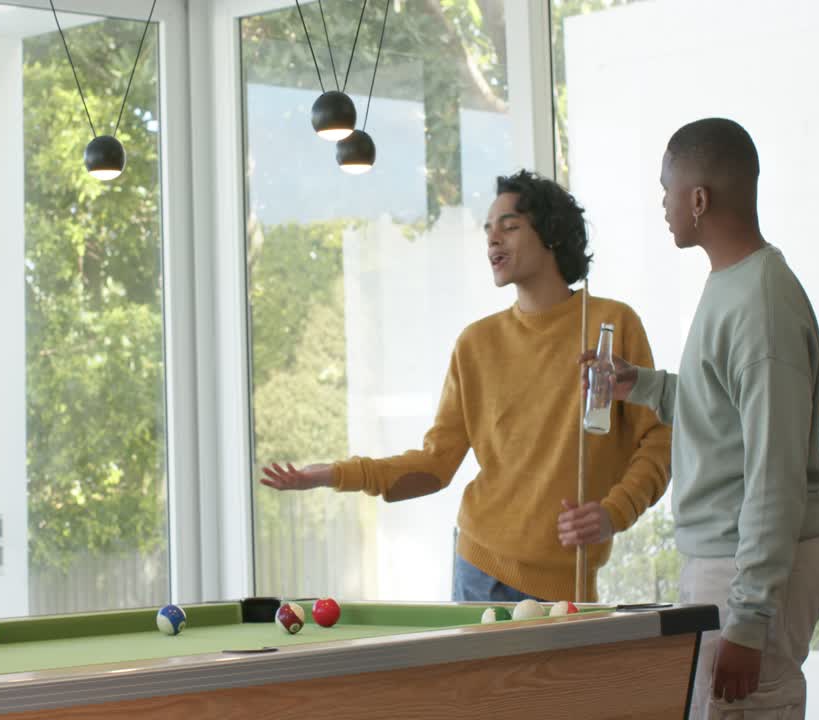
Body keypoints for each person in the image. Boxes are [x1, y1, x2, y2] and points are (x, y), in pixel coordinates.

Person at [261, 170, 671, 603]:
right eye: (488, 229)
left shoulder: (612, 325)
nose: (493, 239)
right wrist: (333, 474)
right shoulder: (476, 344)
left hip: (569, 584)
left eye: (510, 227)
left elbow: (658, 440)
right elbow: (436, 464)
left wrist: (614, 513)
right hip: (482, 572)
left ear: (551, 235)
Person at [587, 118, 819, 718]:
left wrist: (750, 619)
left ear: (698, 199)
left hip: (746, 560)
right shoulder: (733, 283)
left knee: (746, 709)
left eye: (666, 189)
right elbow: (722, 412)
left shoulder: (760, 303)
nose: (662, 205)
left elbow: (774, 470)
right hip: (730, 554)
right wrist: (642, 385)